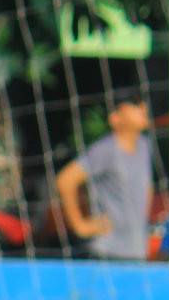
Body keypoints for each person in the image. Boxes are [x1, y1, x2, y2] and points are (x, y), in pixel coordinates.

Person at [54, 89, 159, 261]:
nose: (142, 108)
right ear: (115, 118)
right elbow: (65, 180)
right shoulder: (106, 149)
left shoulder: (145, 146)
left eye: (142, 103)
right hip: (107, 253)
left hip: (137, 252)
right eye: (134, 104)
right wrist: (81, 226)